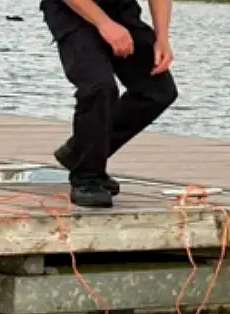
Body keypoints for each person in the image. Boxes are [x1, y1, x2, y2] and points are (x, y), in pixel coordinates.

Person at [39, 0, 179, 208]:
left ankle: (79, 152)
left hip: (120, 10)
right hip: (71, 11)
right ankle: (86, 179)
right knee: (99, 88)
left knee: (157, 92)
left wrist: (162, 38)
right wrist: (104, 24)